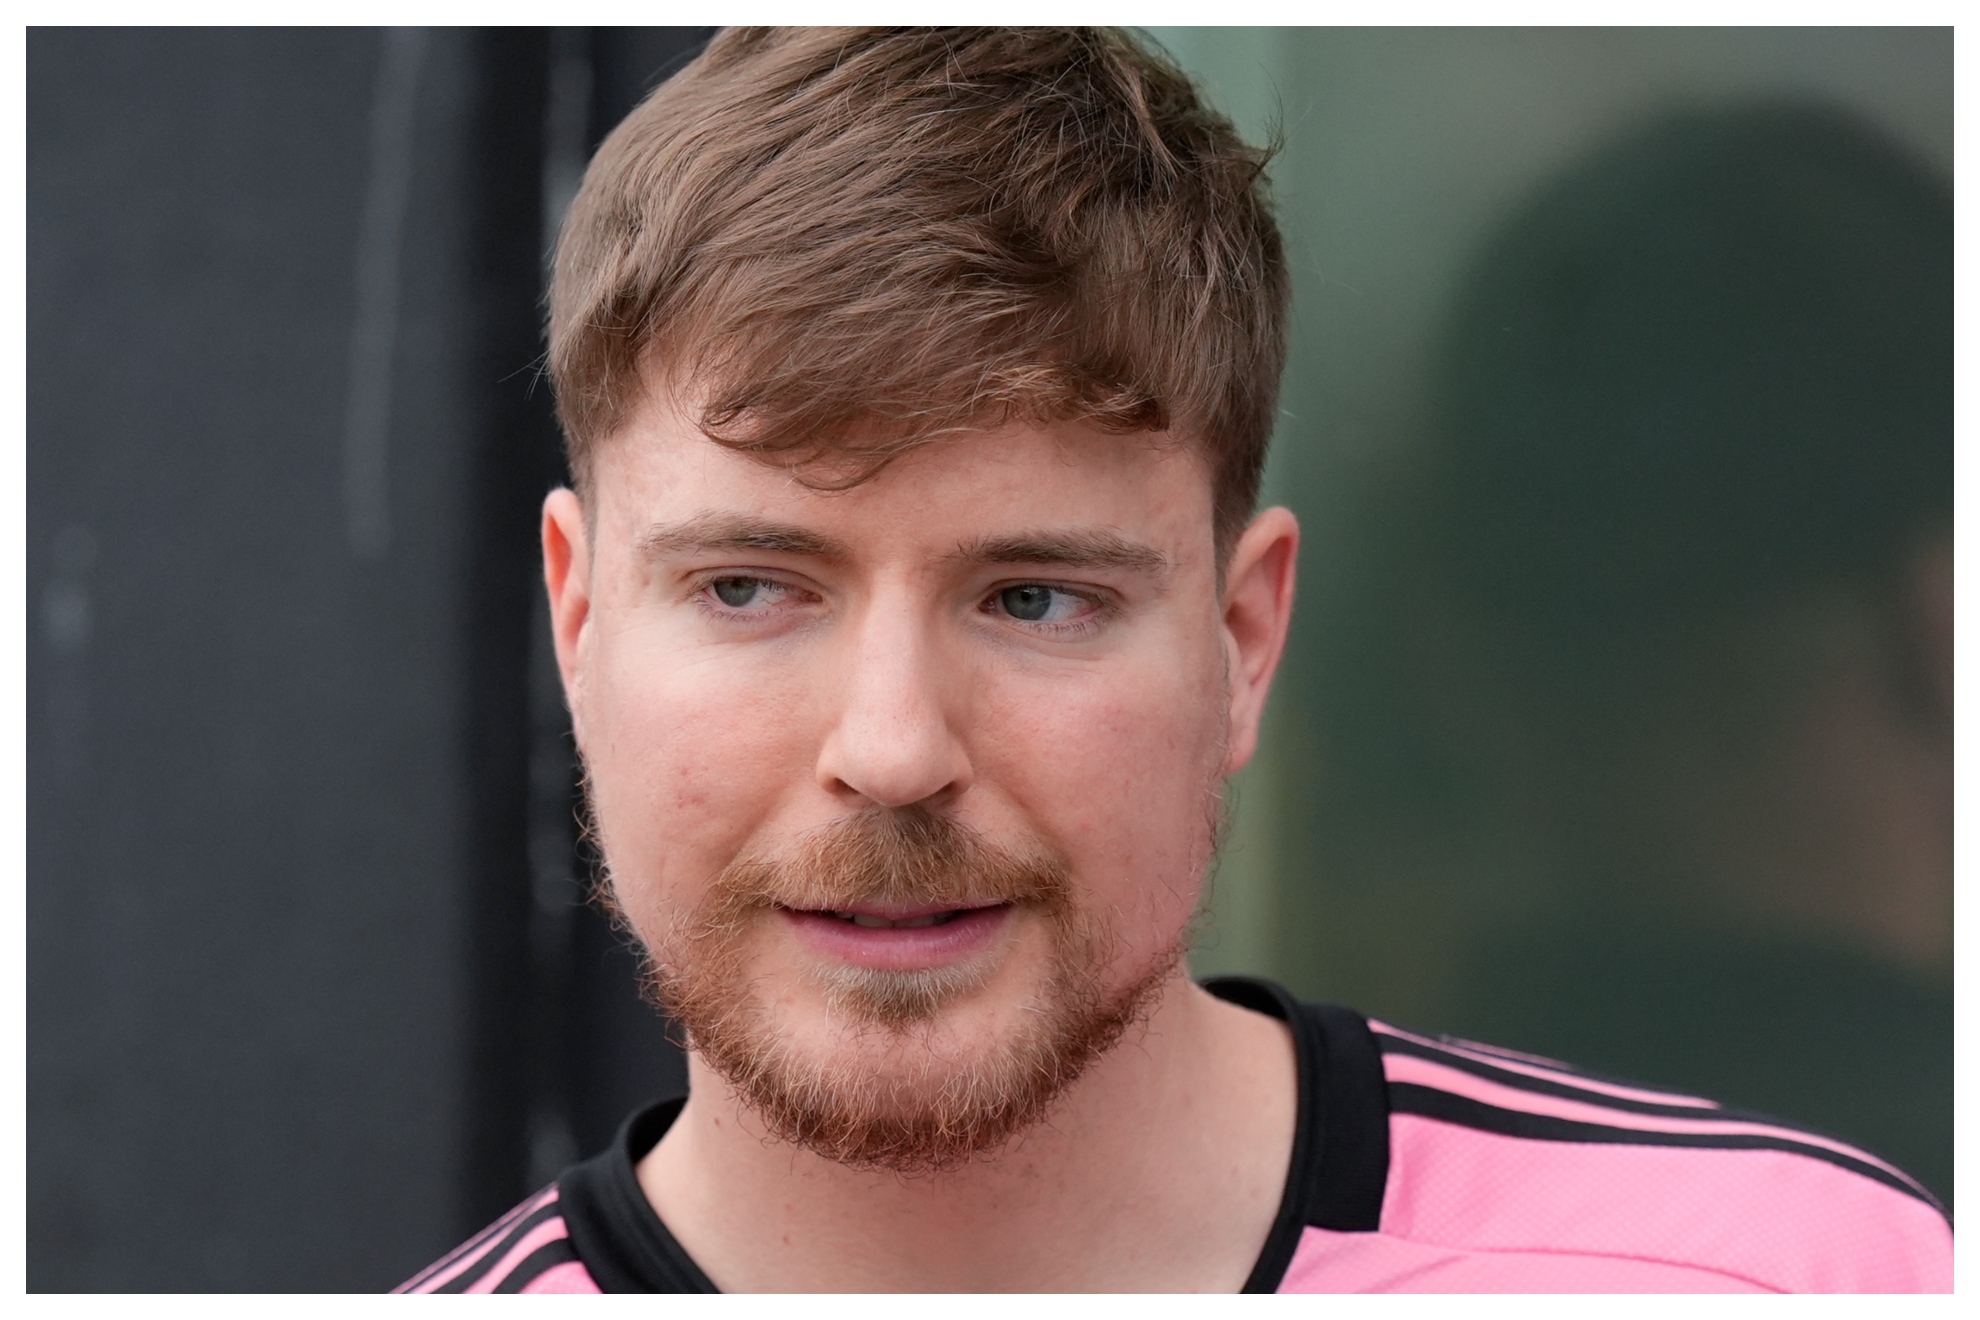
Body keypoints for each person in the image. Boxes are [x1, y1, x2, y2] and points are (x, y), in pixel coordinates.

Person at [398, 28, 1950, 1293]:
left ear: (1243, 639)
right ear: (580, 623)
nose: (890, 747)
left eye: (1035, 599)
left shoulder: (1783, 1281)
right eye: (749, 587)